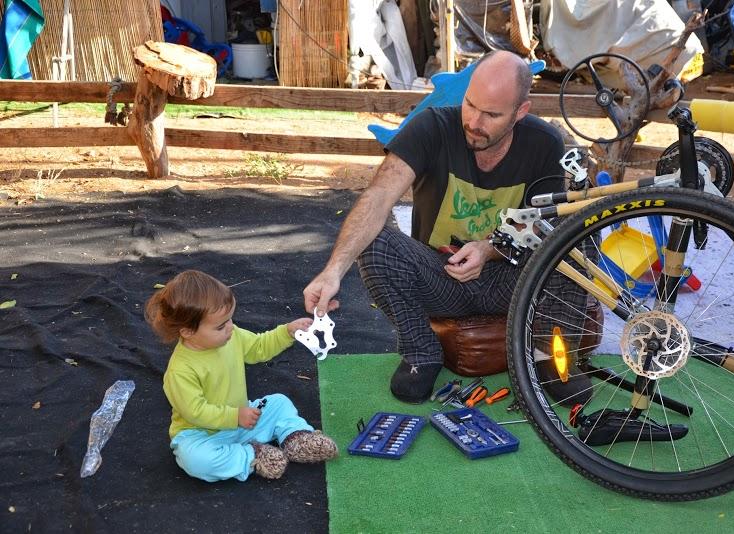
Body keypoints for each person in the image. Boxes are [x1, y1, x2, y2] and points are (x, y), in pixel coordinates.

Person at [304, 51, 592, 405]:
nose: (474, 121)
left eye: (492, 114)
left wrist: (489, 249)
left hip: (513, 279)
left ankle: (549, 356)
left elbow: (544, 219)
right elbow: (378, 197)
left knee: (578, 232)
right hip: (441, 279)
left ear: (520, 112)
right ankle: (420, 351)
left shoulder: (543, 141)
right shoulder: (431, 126)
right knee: (376, 242)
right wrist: (333, 271)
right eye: (471, 105)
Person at [145, 270, 338, 482]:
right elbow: (195, 411)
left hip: (243, 419)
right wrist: (234, 416)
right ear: (187, 332)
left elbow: (258, 346)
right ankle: (252, 455)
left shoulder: (231, 336)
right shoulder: (181, 370)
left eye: (230, 320)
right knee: (195, 460)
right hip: (202, 434)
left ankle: (296, 437)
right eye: (221, 326)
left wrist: (286, 332)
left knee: (279, 403)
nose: (230, 328)